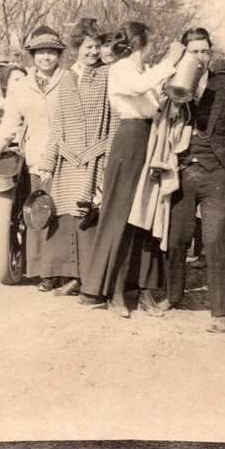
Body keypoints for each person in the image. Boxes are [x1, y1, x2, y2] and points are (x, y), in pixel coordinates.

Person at [77, 22, 184, 317]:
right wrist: (171, 60)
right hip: (130, 141)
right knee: (122, 216)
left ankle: (144, 290)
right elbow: (139, 87)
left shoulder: (144, 70)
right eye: (151, 42)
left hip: (150, 140)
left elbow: (154, 103)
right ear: (141, 43)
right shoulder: (120, 69)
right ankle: (114, 291)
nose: (153, 46)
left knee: (145, 216)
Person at [163, 42, 225, 333]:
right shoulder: (172, 81)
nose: (199, 57)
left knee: (215, 240)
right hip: (183, 170)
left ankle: (222, 313)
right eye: (193, 51)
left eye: (205, 51)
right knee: (176, 237)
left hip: (217, 173)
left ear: (210, 55)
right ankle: (173, 295)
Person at [37, 18, 119, 297]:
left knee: (88, 216)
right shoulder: (66, 78)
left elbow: (115, 121)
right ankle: (68, 275)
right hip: (67, 160)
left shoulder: (108, 74)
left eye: (97, 46)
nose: (93, 52)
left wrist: (109, 159)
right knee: (64, 218)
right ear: (76, 49)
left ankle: (88, 279)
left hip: (96, 157)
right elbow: (58, 124)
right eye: (87, 47)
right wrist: (48, 164)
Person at [0, 25, 67, 285]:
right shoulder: (22, 87)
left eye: (51, 52)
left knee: (66, 215)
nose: (46, 57)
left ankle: (67, 272)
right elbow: (10, 123)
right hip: (37, 157)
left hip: (68, 158)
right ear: (33, 56)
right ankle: (45, 272)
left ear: (59, 55)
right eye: (41, 52)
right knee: (40, 212)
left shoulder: (69, 79)